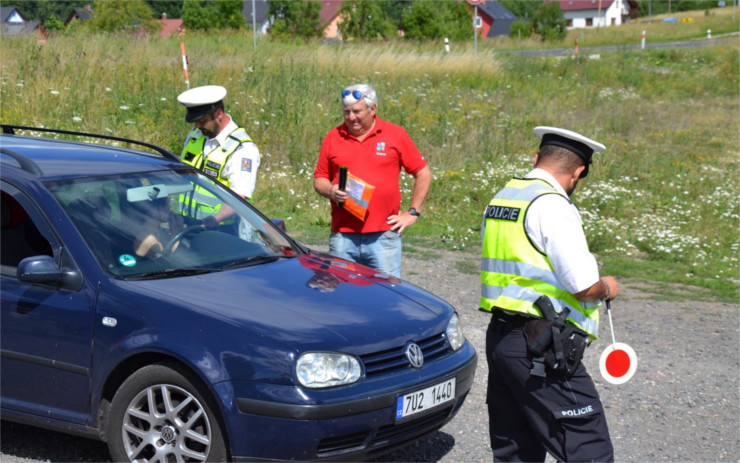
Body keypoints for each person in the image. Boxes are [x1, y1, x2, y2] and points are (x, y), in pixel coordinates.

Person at [480, 126, 619, 462]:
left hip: (502, 338)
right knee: (588, 447)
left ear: (536, 158)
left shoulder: (504, 198)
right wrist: (608, 287)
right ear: (579, 170)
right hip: (543, 346)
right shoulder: (554, 205)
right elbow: (584, 287)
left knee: (516, 448)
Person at [313, 83, 433, 278]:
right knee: (342, 294)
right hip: (343, 236)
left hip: (383, 236)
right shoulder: (333, 137)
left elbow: (423, 173)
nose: (351, 117)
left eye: (357, 111)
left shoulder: (395, 134)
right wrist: (331, 191)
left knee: (386, 295)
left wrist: (412, 213)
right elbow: (319, 179)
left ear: (373, 108)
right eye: (346, 112)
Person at [177, 85, 260, 228]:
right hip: (187, 224)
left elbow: (239, 196)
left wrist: (213, 220)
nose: (197, 126)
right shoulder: (196, 135)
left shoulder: (242, 149)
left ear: (219, 114)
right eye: (195, 121)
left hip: (223, 229)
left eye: (202, 121)